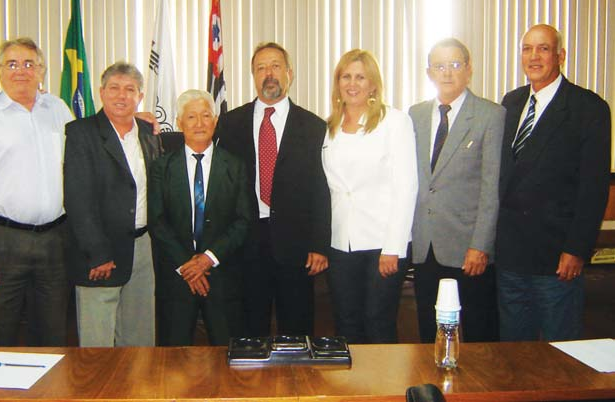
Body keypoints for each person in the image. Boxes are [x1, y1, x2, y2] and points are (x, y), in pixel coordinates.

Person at [0, 37, 74, 346]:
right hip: (2, 242)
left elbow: (88, 148)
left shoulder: (58, 109)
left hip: (54, 241)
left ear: (42, 70)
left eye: (29, 63)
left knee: (53, 334)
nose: (21, 70)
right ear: (0, 71)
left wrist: (134, 120)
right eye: (12, 64)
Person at [496, 24, 611, 341]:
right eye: (527, 48)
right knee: (513, 351)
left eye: (543, 48)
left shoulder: (588, 108)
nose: (534, 56)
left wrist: (576, 249)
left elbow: (593, 189)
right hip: (510, 255)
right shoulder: (511, 103)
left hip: (555, 258)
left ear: (560, 55)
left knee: (558, 355)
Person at [215, 42, 331, 337]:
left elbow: (321, 189)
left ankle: (296, 381)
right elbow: (222, 187)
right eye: (261, 68)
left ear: (289, 74)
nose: (269, 74)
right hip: (246, 242)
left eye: (276, 66)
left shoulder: (314, 126)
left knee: (297, 324)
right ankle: (251, 383)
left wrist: (319, 244)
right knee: (250, 327)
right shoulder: (229, 124)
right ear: (253, 75)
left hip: (296, 244)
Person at [409, 38, 505, 343]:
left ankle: (478, 392)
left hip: (468, 249)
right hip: (426, 246)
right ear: (429, 72)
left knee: (478, 334)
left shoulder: (491, 115)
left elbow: (491, 188)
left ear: (469, 69)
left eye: (455, 64)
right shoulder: (416, 115)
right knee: (429, 331)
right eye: (439, 66)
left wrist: (481, 246)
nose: (447, 73)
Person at [321, 49, 417, 344]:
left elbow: (406, 187)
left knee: (378, 322)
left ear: (373, 84)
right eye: (346, 76)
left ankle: (386, 389)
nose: (352, 83)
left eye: (360, 77)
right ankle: (354, 390)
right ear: (338, 83)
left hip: (381, 244)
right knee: (346, 323)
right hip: (340, 243)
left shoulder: (395, 122)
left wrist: (394, 248)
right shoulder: (329, 127)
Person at [64, 62, 162, 347]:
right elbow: (78, 199)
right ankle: (100, 393)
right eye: (114, 88)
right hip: (101, 250)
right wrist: (97, 253)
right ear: (101, 92)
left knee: (139, 337)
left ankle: (137, 391)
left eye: (130, 89)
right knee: (98, 343)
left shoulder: (148, 132)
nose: (121, 96)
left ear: (140, 96)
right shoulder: (81, 133)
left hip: (143, 246)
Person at [149, 90, 254, 346]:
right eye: (191, 116)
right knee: (172, 365)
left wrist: (208, 259)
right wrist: (188, 266)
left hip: (222, 277)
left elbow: (243, 221)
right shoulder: (162, 167)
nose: (199, 123)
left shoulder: (235, 166)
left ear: (215, 121)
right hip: (177, 278)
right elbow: (157, 221)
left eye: (206, 115)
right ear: (179, 122)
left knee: (227, 360)